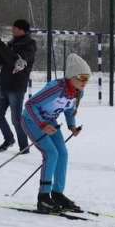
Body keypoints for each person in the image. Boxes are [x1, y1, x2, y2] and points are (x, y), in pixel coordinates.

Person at [22, 53, 89, 214]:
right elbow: (30, 105)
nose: (84, 82)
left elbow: (69, 109)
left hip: (50, 123)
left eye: (87, 78)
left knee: (63, 154)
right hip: (32, 121)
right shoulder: (56, 88)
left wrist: (72, 126)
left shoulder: (77, 91)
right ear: (71, 76)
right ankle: (43, 198)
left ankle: (57, 194)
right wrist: (42, 124)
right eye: (81, 77)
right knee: (51, 153)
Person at [0, 19, 36, 152]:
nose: (13, 30)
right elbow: (2, 61)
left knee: (16, 119)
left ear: (22, 30)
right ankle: (9, 139)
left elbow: (17, 61)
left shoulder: (29, 45)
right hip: (4, 84)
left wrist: (2, 46)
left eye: (16, 28)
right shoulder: (12, 43)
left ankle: (23, 147)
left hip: (17, 87)